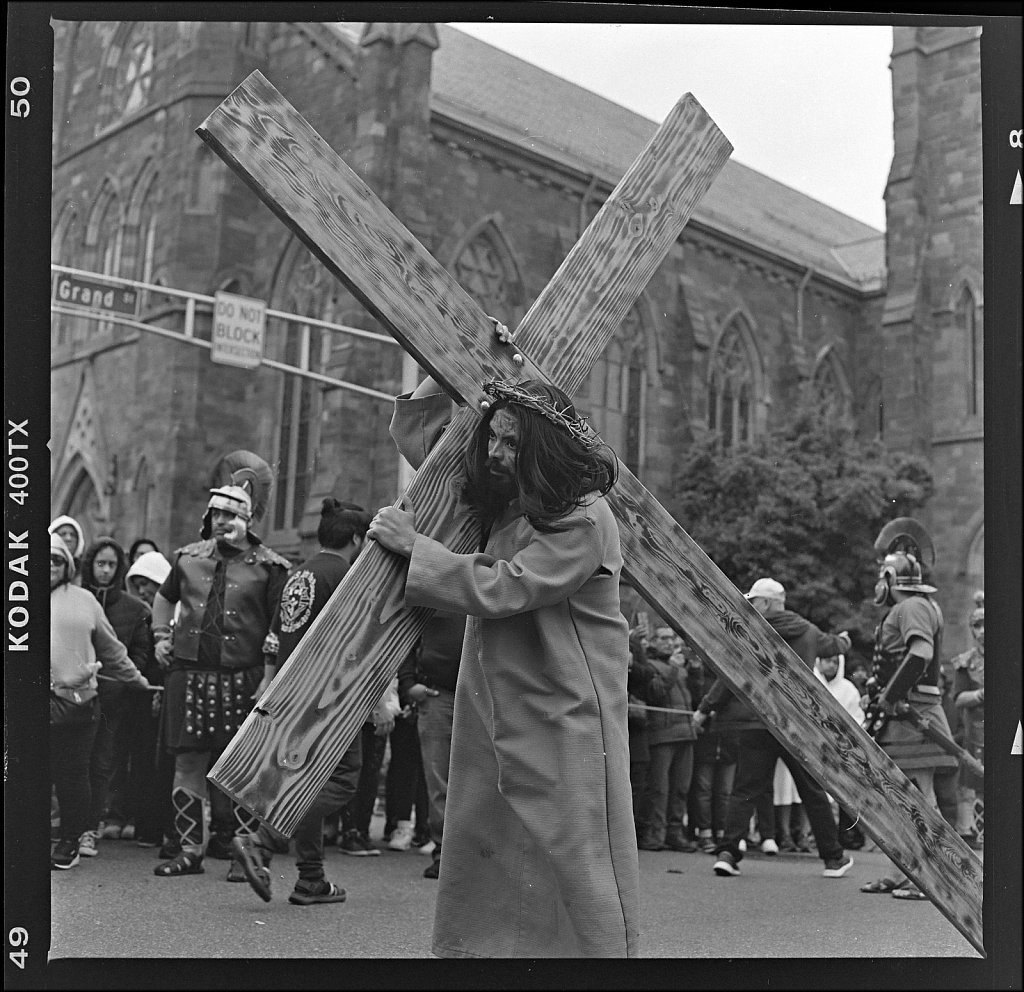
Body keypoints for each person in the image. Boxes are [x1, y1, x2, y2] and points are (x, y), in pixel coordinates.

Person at [370, 359, 640, 958]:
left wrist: (419, 549)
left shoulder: (586, 515)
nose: (493, 451)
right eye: (492, 434)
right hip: (496, 702)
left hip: (567, 707)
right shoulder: (502, 503)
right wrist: (457, 361)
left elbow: (511, 585)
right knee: (488, 844)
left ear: (541, 446)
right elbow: (423, 439)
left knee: (571, 850)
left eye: (511, 441)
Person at [232, 499, 389, 905]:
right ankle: (262, 839)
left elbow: (273, 640)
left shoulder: (296, 574)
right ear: (357, 538)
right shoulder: (349, 576)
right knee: (339, 780)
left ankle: (311, 878)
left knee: (305, 780)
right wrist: (375, 698)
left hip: (291, 691)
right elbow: (359, 645)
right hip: (330, 696)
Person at [150, 469, 290, 877]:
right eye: (215, 516)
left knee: (244, 767)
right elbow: (163, 600)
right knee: (188, 765)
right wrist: (161, 636)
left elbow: (278, 629)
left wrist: (268, 677)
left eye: (230, 516)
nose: (222, 523)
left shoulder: (270, 566)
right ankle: (191, 850)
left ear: (248, 520)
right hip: (190, 676)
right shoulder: (187, 558)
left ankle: (242, 854)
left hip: (244, 679)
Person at [696, 577, 854, 880]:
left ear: (767, 603)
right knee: (812, 791)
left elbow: (730, 674)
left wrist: (705, 708)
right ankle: (833, 859)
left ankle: (728, 853)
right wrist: (845, 641)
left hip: (758, 721)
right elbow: (833, 645)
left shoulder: (749, 630)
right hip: (796, 724)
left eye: (754, 601)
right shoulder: (808, 631)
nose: (750, 606)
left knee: (745, 790)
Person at [859, 521, 957, 901]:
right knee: (900, 796)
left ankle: (930, 878)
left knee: (919, 796)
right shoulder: (912, 606)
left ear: (889, 577)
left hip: (913, 714)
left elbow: (920, 654)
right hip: (902, 714)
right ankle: (899, 872)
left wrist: (890, 695)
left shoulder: (913, 606)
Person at [49, 533, 154, 869]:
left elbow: (112, 649)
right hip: (26, 707)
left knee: (73, 775)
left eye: (57, 559)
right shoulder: (16, 597)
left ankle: (70, 841)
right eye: (44, 558)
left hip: (77, 703)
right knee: (28, 776)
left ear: (68, 565)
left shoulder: (84, 600)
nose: (50, 565)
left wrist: (137, 680)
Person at [77, 537, 156, 856]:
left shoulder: (134, 608)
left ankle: (89, 828)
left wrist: (124, 680)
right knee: (73, 764)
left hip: (114, 699)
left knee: (103, 764)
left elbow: (139, 652)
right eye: (100, 563)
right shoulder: (75, 599)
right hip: (74, 696)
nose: (105, 570)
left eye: (111, 564)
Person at [396, 610, 467, 878]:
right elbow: (407, 631)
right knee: (438, 777)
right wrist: (408, 683)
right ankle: (444, 853)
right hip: (438, 693)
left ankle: (473, 856)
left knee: (479, 778)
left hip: (480, 692)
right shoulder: (437, 580)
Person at [638, 624, 699, 851]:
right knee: (659, 790)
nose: (669, 643)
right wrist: (674, 670)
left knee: (681, 788)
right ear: (652, 642)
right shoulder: (650, 664)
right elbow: (655, 694)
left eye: (672, 638)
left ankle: (674, 833)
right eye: (663, 638)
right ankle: (655, 835)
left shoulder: (679, 666)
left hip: (685, 732)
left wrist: (695, 671)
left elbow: (696, 696)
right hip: (662, 734)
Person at [814, 653, 866, 850]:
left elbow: (857, 718)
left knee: (844, 792)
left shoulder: (848, 689)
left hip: (841, 746)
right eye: (827, 660)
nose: (831, 665)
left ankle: (844, 834)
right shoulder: (813, 680)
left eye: (835, 662)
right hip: (816, 744)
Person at [952, 591, 984, 848]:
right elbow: (958, 697)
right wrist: (980, 695)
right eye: (977, 625)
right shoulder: (966, 663)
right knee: (968, 782)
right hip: (975, 730)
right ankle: (968, 832)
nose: (983, 631)